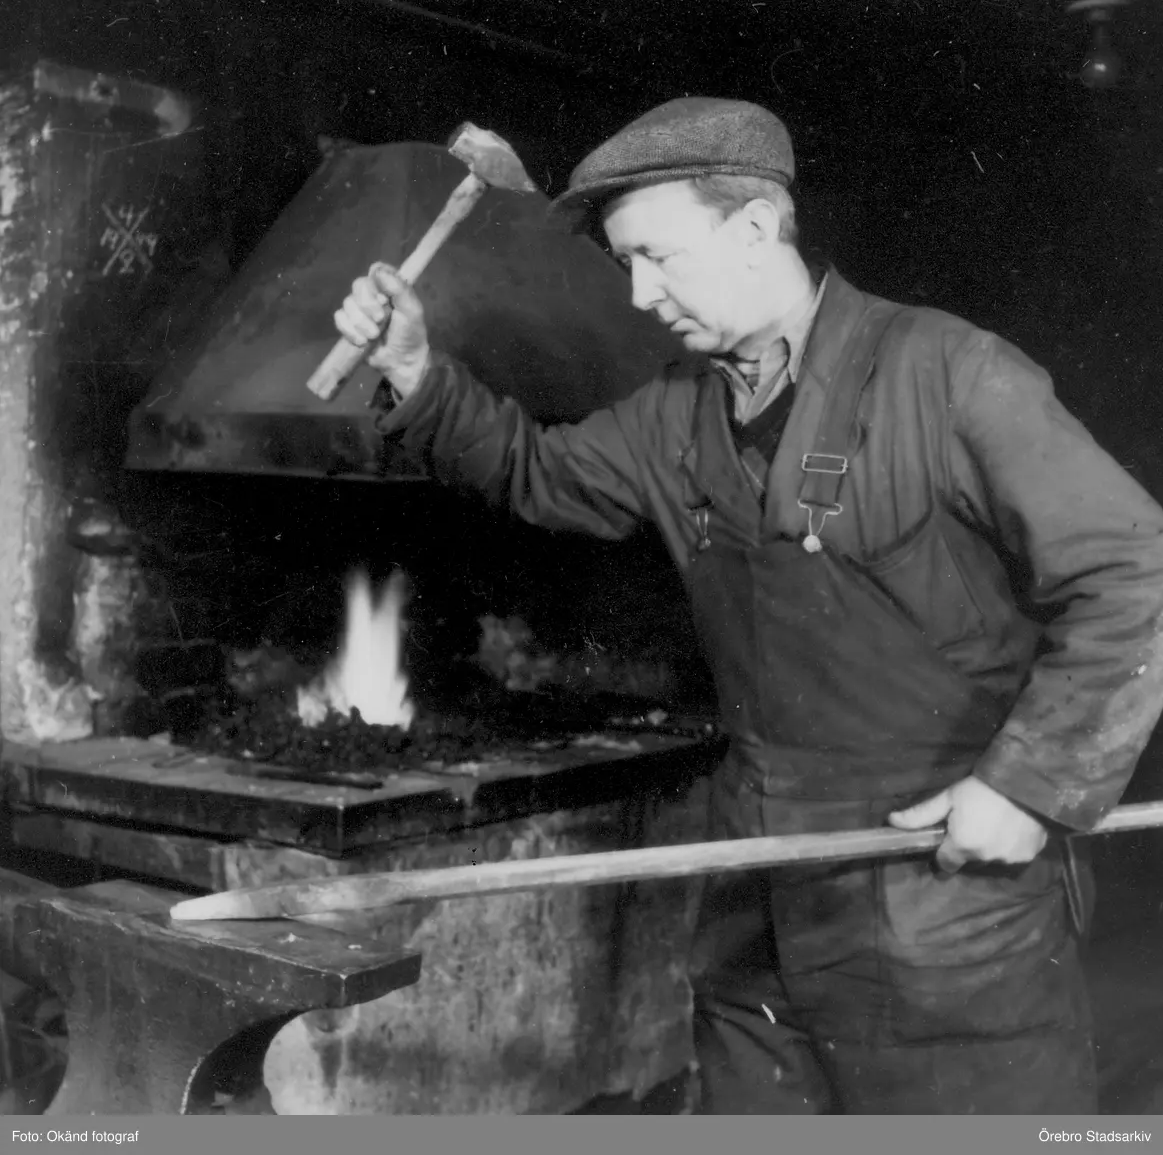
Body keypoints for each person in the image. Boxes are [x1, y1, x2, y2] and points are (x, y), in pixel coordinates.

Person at [334, 97, 1163, 1114]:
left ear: (755, 228)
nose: (638, 294)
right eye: (624, 264)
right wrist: (413, 371)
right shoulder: (676, 412)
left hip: (944, 911)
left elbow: (1138, 573)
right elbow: (535, 473)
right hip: (752, 913)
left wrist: (1028, 786)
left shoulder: (947, 374)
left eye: (656, 257)